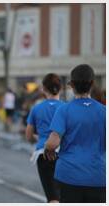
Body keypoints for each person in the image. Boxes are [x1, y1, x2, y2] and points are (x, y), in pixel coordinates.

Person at [44, 64, 105, 203]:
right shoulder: (104, 111)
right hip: (98, 175)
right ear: (92, 84)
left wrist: (48, 149)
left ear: (71, 85)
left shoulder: (64, 110)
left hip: (69, 175)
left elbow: (53, 143)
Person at [25, 73, 64, 203]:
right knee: (65, 195)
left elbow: (28, 135)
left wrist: (37, 139)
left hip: (43, 153)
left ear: (43, 89)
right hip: (64, 153)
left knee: (52, 197)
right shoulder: (66, 108)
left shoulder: (36, 108)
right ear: (61, 88)